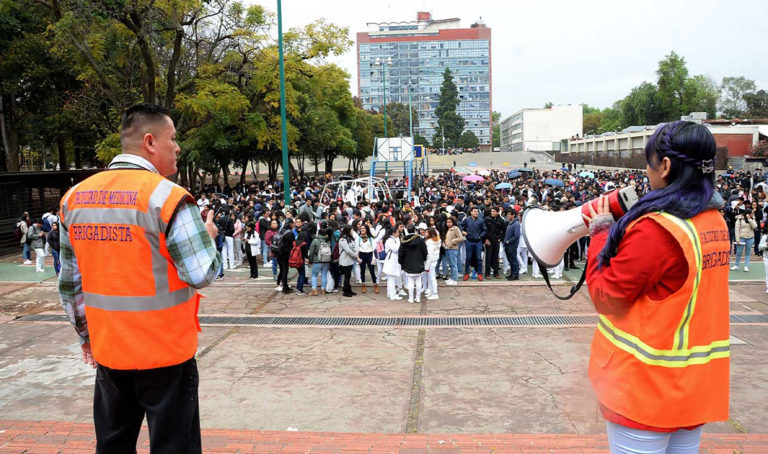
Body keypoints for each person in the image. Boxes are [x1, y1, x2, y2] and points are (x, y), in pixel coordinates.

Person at [58, 103, 220, 453]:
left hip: (111, 353)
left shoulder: (74, 199)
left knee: (113, 444)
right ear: (150, 141)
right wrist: (208, 236)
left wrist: (87, 338)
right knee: (174, 446)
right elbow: (202, 273)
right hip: (166, 357)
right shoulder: (168, 197)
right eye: (172, 139)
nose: (177, 147)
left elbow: (71, 285)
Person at [582, 121, 729, 453]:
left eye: (648, 163)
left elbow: (606, 297)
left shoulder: (657, 230)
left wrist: (601, 231)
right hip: (692, 389)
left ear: (664, 165)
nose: (646, 173)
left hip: (644, 391)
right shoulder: (714, 220)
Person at [399, 225, 428, 304]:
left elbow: (401, 253)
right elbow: (425, 251)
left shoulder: (404, 240)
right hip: (419, 262)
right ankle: (418, 298)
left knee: (410, 281)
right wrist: (423, 260)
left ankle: (411, 298)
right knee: (418, 280)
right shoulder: (420, 240)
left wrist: (401, 262)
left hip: (408, 262)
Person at [460, 207, 486, 281]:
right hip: (469, 241)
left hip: (478, 242)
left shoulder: (481, 220)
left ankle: (480, 273)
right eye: (474, 211)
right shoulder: (467, 219)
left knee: (478, 258)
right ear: (471, 212)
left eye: (477, 211)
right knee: (468, 258)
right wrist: (462, 231)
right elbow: (460, 225)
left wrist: (480, 236)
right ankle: (466, 273)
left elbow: (484, 230)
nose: (476, 213)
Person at [731, 206, 756, 272]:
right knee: (739, 252)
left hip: (750, 238)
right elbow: (737, 230)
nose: (751, 214)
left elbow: (755, 226)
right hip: (741, 237)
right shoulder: (739, 219)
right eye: (750, 213)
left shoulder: (752, 218)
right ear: (747, 213)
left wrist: (750, 219)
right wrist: (737, 240)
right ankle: (736, 265)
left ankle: (746, 266)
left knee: (748, 252)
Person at [308, 228, 332, 296]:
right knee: (324, 275)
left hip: (317, 261)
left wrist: (310, 261)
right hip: (326, 261)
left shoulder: (315, 240)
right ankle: (323, 290)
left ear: (318, 233)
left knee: (314, 275)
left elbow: (311, 252)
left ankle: (314, 290)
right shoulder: (327, 241)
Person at [338, 225, 359, 297]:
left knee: (348, 276)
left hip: (350, 260)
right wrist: (356, 256)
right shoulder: (343, 239)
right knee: (346, 276)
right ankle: (346, 291)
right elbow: (347, 250)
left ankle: (348, 290)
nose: (352, 231)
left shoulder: (349, 238)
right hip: (345, 260)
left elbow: (353, 247)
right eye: (351, 230)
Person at [356, 224, 379, 294]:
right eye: (361, 228)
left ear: (367, 229)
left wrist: (374, 258)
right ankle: (363, 285)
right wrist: (357, 257)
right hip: (361, 255)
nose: (362, 230)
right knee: (362, 271)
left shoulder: (371, 238)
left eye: (364, 228)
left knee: (372, 271)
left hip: (369, 255)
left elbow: (374, 249)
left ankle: (375, 285)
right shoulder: (358, 238)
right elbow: (357, 249)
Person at [382, 227, 403, 300]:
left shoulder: (392, 240)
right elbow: (396, 249)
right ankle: (392, 295)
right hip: (391, 261)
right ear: (393, 233)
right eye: (397, 232)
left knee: (391, 279)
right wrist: (399, 241)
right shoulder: (390, 240)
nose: (398, 234)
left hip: (392, 261)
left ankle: (390, 294)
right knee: (391, 279)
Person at [484, 207, 504, 278]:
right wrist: (485, 239)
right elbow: (484, 230)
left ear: (497, 212)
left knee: (496, 258)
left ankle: (496, 273)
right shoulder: (487, 219)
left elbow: (503, 231)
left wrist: (500, 238)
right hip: (489, 240)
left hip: (496, 240)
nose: (492, 213)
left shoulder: (501, 220)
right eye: (492, 211)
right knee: (488, 257)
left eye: (494, 211)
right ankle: (487, 274)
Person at [442, 217, 463, 286]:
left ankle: (455, 279)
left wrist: (453, 241)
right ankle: (451, 278)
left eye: (450, 222)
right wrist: (444, 244)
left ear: (453, 222)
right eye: (447, 222)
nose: (448, 223)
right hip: (447, 248)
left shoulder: (456, 228)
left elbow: (461, 238)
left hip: (453, 249)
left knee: (453, 264)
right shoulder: (447, 229)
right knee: (450, 264)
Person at [424, 227, 441, 300]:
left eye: (426, 232)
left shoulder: (430, 243)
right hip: (434, 261)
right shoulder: (435, 241)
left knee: (432, 278)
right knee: (431, 277)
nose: (425, 233)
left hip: (431, 262)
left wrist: (426, 267)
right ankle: (431, 291)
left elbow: (429, 256)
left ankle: (435, 293)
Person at [503, 210, 520, 280]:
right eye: (508, 214)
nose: (508, 216)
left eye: (509, 214)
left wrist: (508, 241)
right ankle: (512, 274)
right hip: (508, 245)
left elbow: (516, 235)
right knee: (510, 260)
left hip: (512, 246)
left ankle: (515, 275)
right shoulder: (510, 223)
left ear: (513, 215)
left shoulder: (516, 224)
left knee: (513, 260)